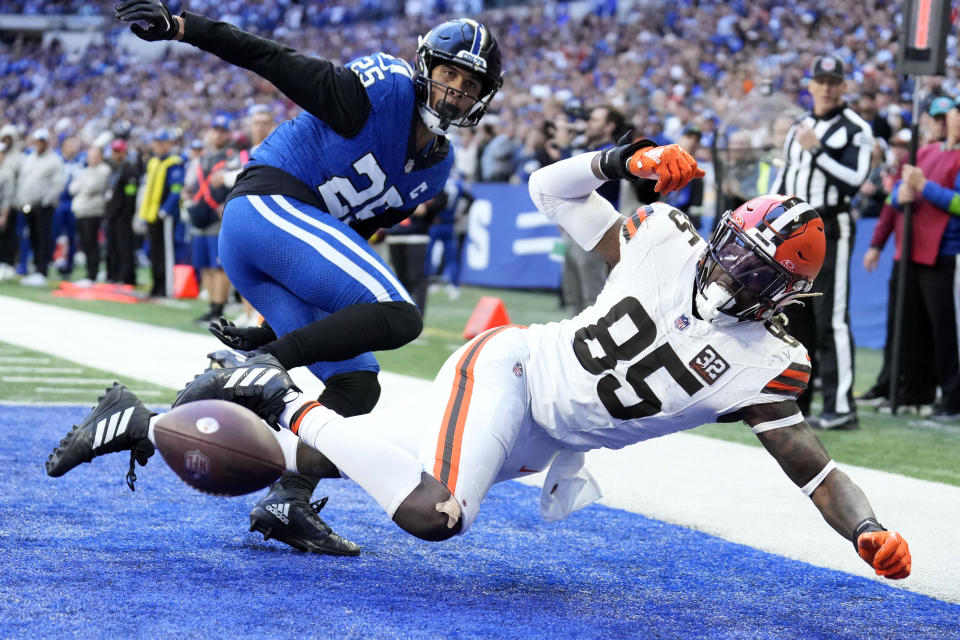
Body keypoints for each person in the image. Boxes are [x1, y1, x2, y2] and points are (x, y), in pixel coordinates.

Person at [46, 141, 912, 583]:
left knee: (361, 465)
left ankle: (148, 427)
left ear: (780, 295)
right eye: (731, 249)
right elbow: (548, 190)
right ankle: (280, 393)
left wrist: (865, 529)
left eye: (752, 270)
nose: (726, 269)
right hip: (514, 370)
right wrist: (621, 160)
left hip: (547, 433)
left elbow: (817, 472)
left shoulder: (771, 364)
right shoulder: (662, 242)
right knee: (436, 515)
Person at [112, 0, 503, 555]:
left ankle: (286, 497)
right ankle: (252, 374)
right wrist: (183, 27)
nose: (455, 91)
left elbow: (347, 242)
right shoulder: (380, 92)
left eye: (469, 83)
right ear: (425, 69)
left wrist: (274, 332)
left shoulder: (435, 168)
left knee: (356, 384)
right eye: (448, 74)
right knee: (400, 313)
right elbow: (274, 59)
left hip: (285, 249)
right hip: (266, 205)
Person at [770, 55, 874, 430]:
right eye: (822, 80)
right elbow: (786, 177)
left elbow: (854, 179)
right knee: (796, 314)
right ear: (810, 84)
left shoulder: (855, 129)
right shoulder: (800, 125)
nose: (828, 87)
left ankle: (842, 406)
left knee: (831, 316)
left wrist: (816, 150)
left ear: (844, 86)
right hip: (794, 229)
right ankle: (801, 400)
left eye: (835, 81)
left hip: (830, 225)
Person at [873, 96, 960, 420]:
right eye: (949, 114)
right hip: (913, 251)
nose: (948, 120)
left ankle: (952, 397)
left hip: (946, 252)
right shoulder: (924, 152)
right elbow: (896, 194)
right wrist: (900, 194)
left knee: (946, 331)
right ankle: (916, 392)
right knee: (912, 329)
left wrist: (923, 186)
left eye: (950, 114)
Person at [16, 128, 66, 286]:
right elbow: (23, 181)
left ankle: (42, 270)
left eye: (42, 141)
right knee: (32, 237)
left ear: (46, 142)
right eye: (38, 141)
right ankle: (36, 268)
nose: (39, 144)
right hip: (28, 205)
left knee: (43, 238)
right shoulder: (29, 158)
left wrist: (47, 200)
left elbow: (59, 183)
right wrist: (22, 200)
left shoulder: (54, 160)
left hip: (44, 206)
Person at [138, 127, 184, 298]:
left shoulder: (174, 163)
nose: (157, 145)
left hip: (166, 216)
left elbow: (176, 189)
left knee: (165, 252)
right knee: (154, 252)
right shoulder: (153, 162)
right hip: (151, 214)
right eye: (155, 142)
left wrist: (166, 208)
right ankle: (155, 285)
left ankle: (165, 287)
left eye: (161, 142)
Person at [68, 144, 112, 285]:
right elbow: (72, 188)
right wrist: (82, 186)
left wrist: (82, 186)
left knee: (92, 244)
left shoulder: (104, 170)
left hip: (93, 211)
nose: (91, 159)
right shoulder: (86, 170)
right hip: (81, 211)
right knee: (85, 244)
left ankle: (92, 274)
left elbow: (91, 187)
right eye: (90, 156)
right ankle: (89, 273)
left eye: (94, 156)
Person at [104, 138, 140, 286]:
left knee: (124, 247)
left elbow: (131, 195)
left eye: (119, 151)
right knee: (111, 246)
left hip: (123, 216)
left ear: (124, 152)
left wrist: (126, 214)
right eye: (114, 151)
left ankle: (126, 277)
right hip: (111, 214)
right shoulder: (112, 169)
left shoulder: (129, 169)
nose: (116, 154)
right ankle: (112, 274)